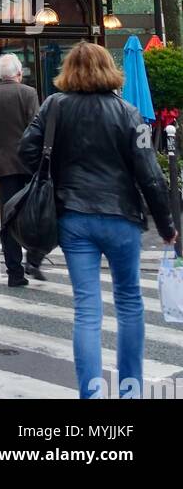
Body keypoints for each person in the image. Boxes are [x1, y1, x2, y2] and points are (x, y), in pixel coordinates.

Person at [19, 41, 175, 400]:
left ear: (69, 71)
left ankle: (90, 393)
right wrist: (167, 226)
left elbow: (27, 151)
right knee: (129, 302)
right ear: (109, 69)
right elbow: (150, 173)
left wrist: (55, 175)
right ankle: (130, 390)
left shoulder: (54, 107)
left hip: (74, 216)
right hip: (121, 216)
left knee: (87, 308)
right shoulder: (128, 112)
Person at [0, 53, 45, 286]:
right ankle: (33, 260)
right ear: (18, 73)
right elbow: (36, 130)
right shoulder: (28, 93)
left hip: (2, 164)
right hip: (28, 165)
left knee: (8, 219)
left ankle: (14, 272)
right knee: (34, 215)